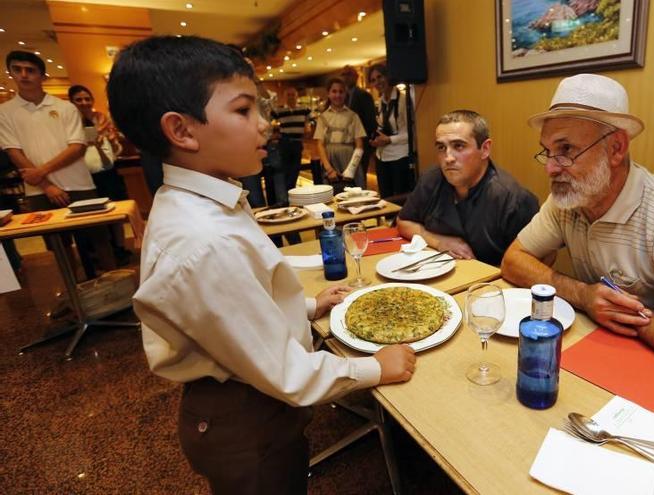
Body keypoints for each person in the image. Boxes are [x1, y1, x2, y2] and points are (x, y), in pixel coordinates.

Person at [107, 35, 416, 493]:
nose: (264, 126)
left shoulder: (202, 202)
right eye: (243, 110)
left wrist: (308, 305)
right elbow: (284, 371)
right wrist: (376, 367)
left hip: (250, 405)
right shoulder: (204, 242)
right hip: (245, 421)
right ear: (183, 131)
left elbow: (235, 310)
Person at [501, 74, 654, 391]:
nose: (550, 168)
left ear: (616, 148)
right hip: (601, 368)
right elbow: (513, 260)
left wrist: (630, 317)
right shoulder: (566, 202)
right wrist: (583, 294)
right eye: (548, 151)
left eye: (566, 149)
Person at [0, 51, 110, 279]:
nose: (23, 75)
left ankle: (115, 285)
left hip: (78, 183)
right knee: (58, 245)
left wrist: (40, 171)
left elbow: (77, 146)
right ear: (10, 73)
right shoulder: (5, 112)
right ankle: (73, 291)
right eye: (17, 69)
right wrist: (47, 185)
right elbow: (13, 151)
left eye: (30, 70)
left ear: (42, 75)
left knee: (98, 238)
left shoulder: (65, 108)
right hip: (38, 190)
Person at [397, 110, 539, 266]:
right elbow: (404, 222)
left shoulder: (513, 199)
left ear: (485, 149)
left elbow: (541, 257)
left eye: (458, 146)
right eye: (441, 148)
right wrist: (440, 242)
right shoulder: (431, 179)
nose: (448, 158)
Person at [68, 84, 132, 266]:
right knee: (94, 217)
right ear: (72, 102)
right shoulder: (70, 124)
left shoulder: (102, 119)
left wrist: (108, 142)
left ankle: (120, 248)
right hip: (85, 176)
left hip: (108, 171)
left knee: (115, 211)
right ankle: (99, 253)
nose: (84, 102)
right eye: (79, 99)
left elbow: (115, 150)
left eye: (87, 98)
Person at [367, 63, 415, 198]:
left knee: (400, 200)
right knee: (386, 200)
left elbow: (411, 134)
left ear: (388, 76)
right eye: (373, 80)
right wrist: (376, 140)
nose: (377, 82)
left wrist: (389, 139)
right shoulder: (380, 103)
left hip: (400, 157)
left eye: (380, 76)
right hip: (382, 157)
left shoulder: (404, 100)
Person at [313, 78, 367, 189]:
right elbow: (320, 145)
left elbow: (360, 145)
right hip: (330, 161)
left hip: (350, 160)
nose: (338, 95)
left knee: (355, 196)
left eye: (341, 91)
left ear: (345, 94)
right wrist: (329, 169)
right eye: (334, 91)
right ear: (328, 94)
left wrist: (351, 170)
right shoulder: (322, 118)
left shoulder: (353, 116)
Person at [340, 65, 377, 182]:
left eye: (348, 74)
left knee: (359, 177)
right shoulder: (342, 97)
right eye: (343, 75)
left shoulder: (363, 95)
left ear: (356, 76)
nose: (346, 78)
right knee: (346, 177)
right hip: (345, 144)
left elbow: (370, 122)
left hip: (361, 144)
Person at [272, 86, 310, 191]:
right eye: (288, 95)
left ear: (296, 96)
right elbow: (268, 120)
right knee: (285, 170)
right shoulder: (279, 110)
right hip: (284, 142)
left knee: (295, 170)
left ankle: (290, 191)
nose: (291, 97)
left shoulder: (304, 109)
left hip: (297, 143)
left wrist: (307, 130)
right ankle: (287, 193)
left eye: (293, 95)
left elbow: (309, 121)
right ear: (284, 97)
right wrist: (274, 134)